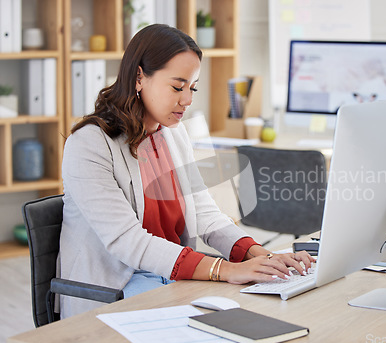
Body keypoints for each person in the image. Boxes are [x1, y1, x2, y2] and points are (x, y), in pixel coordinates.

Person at [59, 24, 314, 318]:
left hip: (169, 276)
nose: (188, 100)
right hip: (117, 287)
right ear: (139, 77)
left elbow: (204, 213)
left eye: (192, 88)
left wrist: (263, 256)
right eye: (177, 87)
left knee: (262, 304)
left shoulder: (172, 134)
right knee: (228, 318)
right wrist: (225, 269)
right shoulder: (89, 144)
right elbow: (127, 241)